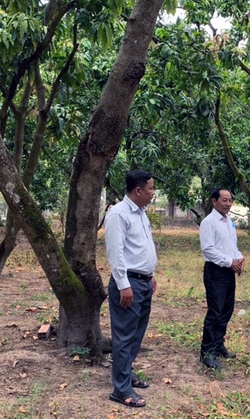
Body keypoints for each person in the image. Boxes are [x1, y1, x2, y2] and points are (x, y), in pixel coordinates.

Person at [104, 169, 158, 408]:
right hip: (128, 284)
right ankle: (121, 389)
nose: (153, 193)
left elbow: (139, 248)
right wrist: (124, 285)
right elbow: (115, 253)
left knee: (136, 332)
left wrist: (151, 274)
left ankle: (127, 373)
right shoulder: (118, 214)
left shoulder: (141, 213)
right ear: (138, 191)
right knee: (124, 336)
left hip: (143, 281)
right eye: (150, 188)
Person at [199, 188, 245, 370]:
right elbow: (208, 249)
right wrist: (229, 262)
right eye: (224, 200)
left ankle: (218, 345)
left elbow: (231, 246)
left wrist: (239, 257)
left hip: (228, 270)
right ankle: (207, 351)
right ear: (214, 201)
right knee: (215, 311)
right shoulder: (209, 222)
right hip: (216, 271)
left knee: (227, 309)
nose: (228, 204)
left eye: (230, 200)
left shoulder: (228, 222)